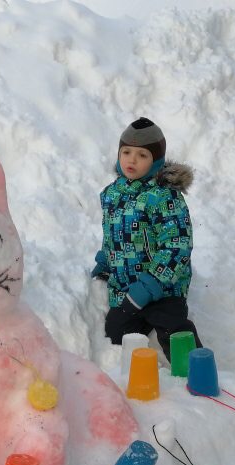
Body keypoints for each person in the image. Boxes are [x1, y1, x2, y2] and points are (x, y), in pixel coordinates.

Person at [93, 118, 198, 365]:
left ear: (156, 162)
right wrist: (105, 263)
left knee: (175, 328)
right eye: (126, 152)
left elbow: (177, 246)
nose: (132, 160)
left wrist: (149, 286)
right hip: (127, 291)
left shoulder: (164, 197)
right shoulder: (111, 194)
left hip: (163, 288)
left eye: (142, 155)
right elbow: (111, 237)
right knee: (114, 333)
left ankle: (196, 373)